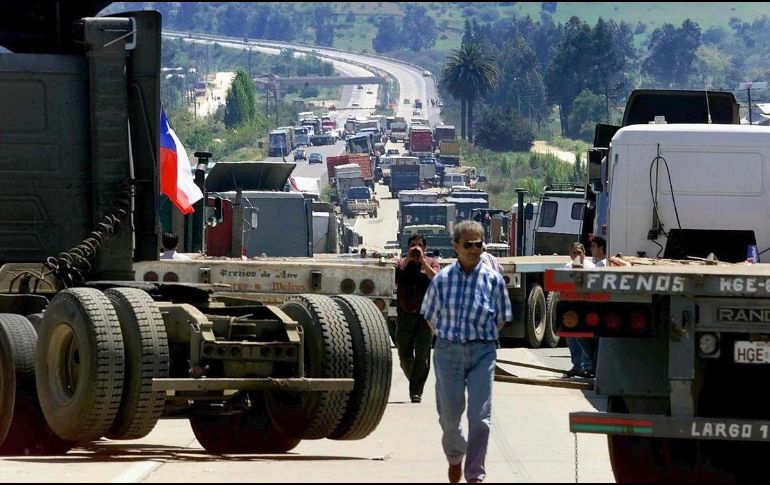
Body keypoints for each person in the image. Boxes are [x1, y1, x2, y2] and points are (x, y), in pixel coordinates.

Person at [421, 221, 513, 484]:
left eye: (478, 244)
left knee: (479, 417)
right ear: (456, 247)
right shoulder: (442, 280)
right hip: (448, 352)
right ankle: (454, 457)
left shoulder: (493, 280)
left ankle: (474, 475)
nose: (474, 249)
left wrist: (483, 337)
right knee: (449, 417)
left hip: (482, 353)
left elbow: (503, 316)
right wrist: (445, 338)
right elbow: (429, 315)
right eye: (468, 244)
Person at [395, 235, 440, 404]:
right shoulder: (401, 263)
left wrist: (422, 260)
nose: (416, 248)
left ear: (424, 248)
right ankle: (415, 380)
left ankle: (416, 392)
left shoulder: (431, 262)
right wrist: (408, 259)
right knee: (404, 354)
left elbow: (436, 278)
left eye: (419, 246)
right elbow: (395, 278)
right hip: (405, 313)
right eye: (413, 245)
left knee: (422, 355)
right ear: (407, 247)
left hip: (425, 316)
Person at [563, 242, 594, 376]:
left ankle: (588, 365)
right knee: (571, 338)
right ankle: (577, 365)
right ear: (570, 254)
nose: (576, 255)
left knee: (584, 337)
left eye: (579, 252)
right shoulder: (568, 267)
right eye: (574, 252)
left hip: (585, 306)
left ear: (584, 253)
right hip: (571, 306)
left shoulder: (590, 267)